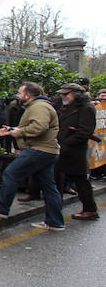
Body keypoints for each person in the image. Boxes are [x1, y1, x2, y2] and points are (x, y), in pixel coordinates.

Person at [0, 82, 63, 231]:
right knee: (49, 187)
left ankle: (1, 208)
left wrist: (18, 132)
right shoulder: (40, 106)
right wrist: (12, 130)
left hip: (38, 150)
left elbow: (39, 126)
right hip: (47, 150)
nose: (18, 96)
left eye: (20, 93)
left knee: (11, 173)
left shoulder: (40, 107)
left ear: (28, 95)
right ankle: (55, 221)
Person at [53, 83, 98, 220]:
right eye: (63, 94)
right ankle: (56, 206)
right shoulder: (68, 107)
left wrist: (66, 144)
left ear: (77, 95)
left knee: (80, 180)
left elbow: (85, 131)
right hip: (63, 148)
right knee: (56, 177)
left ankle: (90, 210)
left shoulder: (86, 108)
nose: (63, 96)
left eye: (67, 94)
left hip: (75, 150)